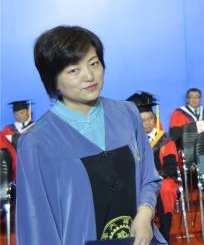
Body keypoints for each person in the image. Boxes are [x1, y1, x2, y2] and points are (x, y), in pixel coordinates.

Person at [16, 25, 164, 244]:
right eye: (73, 70)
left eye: (94, 63)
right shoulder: (36, 142)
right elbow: (37, 225)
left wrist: (145, 213)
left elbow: (148, 178)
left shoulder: (127, 114)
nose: (89, 76)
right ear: (53, 80)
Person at [128, 92, 180, 244]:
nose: (147, 123)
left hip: (162, 179)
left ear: (155, 119)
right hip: (136, 181)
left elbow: (171, 166)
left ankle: (164, 235)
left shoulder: (164, 139)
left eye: (150, 119)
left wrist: (155, 176)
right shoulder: (130, 139)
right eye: (143, 120)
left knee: (166, 189)